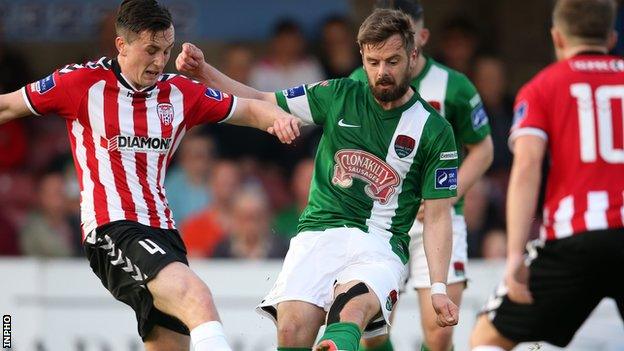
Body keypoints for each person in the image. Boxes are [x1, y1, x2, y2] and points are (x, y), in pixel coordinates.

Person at [0, 1, 301, 350]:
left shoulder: (179, 92)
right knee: (197, 298)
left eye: (167, 50)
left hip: (164, 232)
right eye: (151, 50)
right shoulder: (81, 83)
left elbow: (247, 107)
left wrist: (276, 119)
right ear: (122, 46)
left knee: (171, 343)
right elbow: (8, 105)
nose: (160, 61)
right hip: (112, 226)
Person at [177, 8, 459, 351]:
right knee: (292, 330)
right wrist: (204, 71)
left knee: (350, 309)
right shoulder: (338, 95)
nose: (382, 72)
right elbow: (263, 100)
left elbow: (439, 215)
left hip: (380, 243)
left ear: (413, 56)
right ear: (362, 57)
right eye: (373, 62)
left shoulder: (435, 130)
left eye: (392, 61)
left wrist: (440, 287)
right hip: (318, 235)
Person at [470, 0, 624, 350]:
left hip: (574, 237)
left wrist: (514, 256)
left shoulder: (542, 87)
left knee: (486, 337)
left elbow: (526, 167)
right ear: (611, 37)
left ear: (557, 37)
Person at [349, 1, 493, 350]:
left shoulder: (454, 86)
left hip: (438, 218)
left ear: (421, 38)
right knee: (373, 331)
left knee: (440, 332)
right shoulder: (359, 82)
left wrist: (447, 195)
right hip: (382, 223)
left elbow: (484, 149)